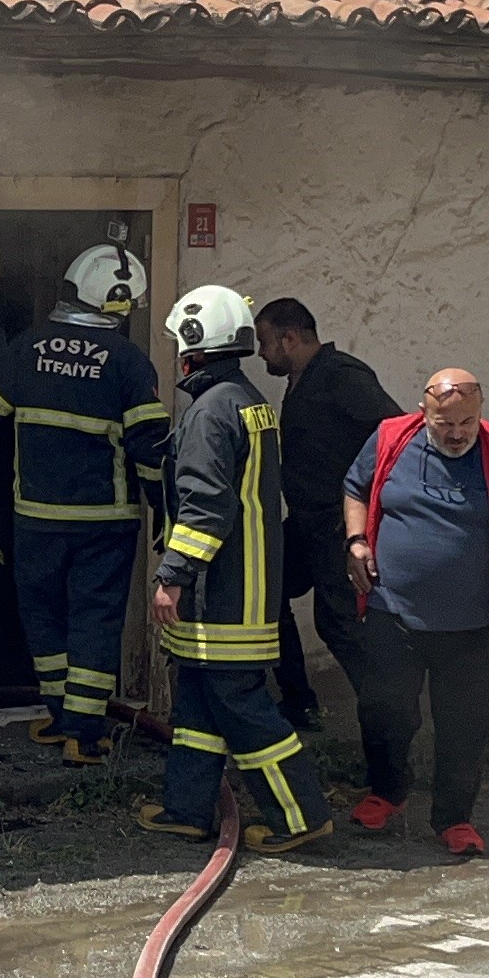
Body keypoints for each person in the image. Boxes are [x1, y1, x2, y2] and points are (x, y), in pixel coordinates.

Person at [0, 246, 169, 766]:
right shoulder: (128, 362)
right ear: (117, 301)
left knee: (43, 614)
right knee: (95, 619)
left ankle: (58, 713)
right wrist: (165, 514)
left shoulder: (27, 349)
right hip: (105, 522)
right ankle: (84, 733)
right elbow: (150, 449)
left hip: (37, 517)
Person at [139, 286, 327, 853]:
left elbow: (204, 506)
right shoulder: (246, 400)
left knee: (242, 708)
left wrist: (173, 575)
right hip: (243, 586)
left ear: (195, 344)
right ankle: (187, 810)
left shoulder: (210, 411)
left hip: (223, 592)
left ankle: (300, 815)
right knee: (198, 702)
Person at [341, 367, 489, 859]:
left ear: (480, 414)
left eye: (467, 423)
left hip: (476, 623)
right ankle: (387, 793)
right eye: (445, 424)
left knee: (465, 726)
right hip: (393, 612)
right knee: (385, 711)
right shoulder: (390, 438)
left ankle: (454, 818)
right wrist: (355, 541)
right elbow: (356, 487)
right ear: (424, 413)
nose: (457, 434)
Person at [257, 299, 400, 732]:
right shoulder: (303, 379)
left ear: (289, 339)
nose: (261, 353)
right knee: (268, 589)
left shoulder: (341, 375)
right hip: (307, 523)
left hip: (337, 525)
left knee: (339, 624)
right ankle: (299, 702)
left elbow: (394, 434)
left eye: (265, 342)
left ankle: (390, 723)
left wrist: (361, 510)